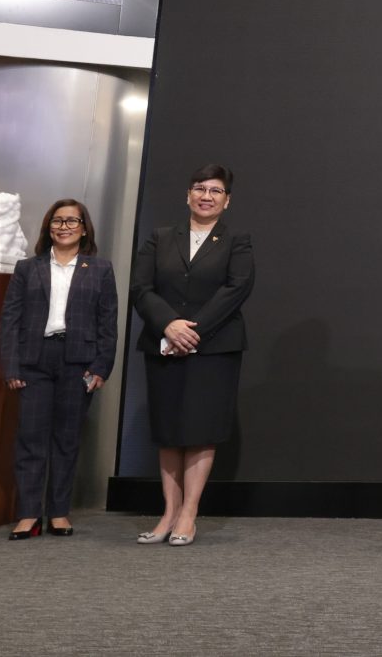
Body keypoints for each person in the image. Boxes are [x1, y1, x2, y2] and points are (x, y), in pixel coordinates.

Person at [130, 165, 255, 548]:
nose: (206, 195)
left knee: (201, 429)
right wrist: (169, 325)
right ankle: (168, 512)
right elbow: (141, 287)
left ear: (227, 200)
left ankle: (189, 513)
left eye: (215, 191)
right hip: (163, 342)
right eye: (199, 188)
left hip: (214, 348)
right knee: (169, 429)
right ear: (187, 195)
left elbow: (236, 289)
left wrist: (193, 329)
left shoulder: (237, 242)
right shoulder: (160, 237)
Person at [0, 198, 118, 539]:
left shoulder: (100, 269)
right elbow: (10, 320)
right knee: (31, 439)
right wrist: (11, 365)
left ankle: (59, 512)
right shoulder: (27, 268)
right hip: (34, 361)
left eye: (71, 221)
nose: (63, 227)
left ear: (84, 228)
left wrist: (101, 367)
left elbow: (108, 324)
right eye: (57, 220)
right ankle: (28, 514)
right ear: (48, 226)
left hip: (78, 361)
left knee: (66, 440)